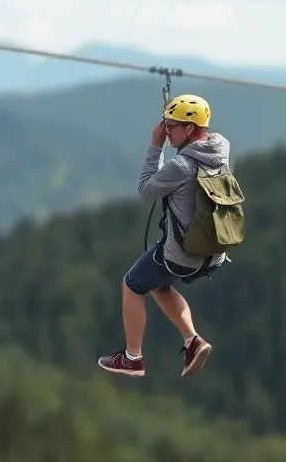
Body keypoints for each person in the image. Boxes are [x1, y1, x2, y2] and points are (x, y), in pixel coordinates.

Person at [97, 93, 231, 379]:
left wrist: (155, 146)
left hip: (183, 254)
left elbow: (146, 191)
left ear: (190, 129)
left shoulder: (179, 166)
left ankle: (133, 357)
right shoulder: (220, 151)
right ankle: (193, 340)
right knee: (159, 284)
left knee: (132, 284)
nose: (166, 130)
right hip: (215, 253)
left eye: (172, 126)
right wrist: (173, 128)